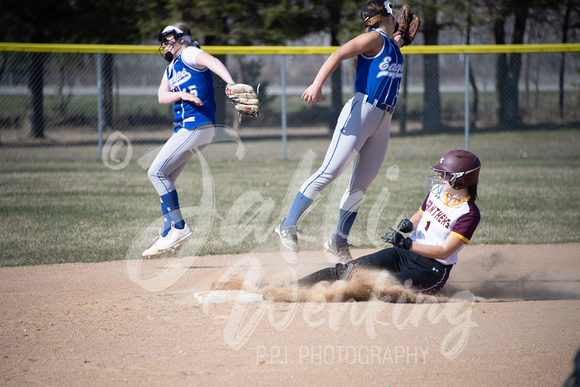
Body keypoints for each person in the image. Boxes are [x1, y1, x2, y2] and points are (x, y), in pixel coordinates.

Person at [275, 0, 406, 261]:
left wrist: (400, 35)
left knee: (361, 184)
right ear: (383, 18)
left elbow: (395, 44)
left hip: (384, 118)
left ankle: (339, 242)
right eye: (395, 15)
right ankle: (287, 224)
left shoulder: (390, 43)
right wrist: (317, 84)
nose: (400, 19)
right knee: (330, 172)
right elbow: (338, 54)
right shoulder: (374, 38)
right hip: (362, 111)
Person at [295, 150, 482, 294]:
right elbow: (422, 213)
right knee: (348, 270)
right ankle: (292, 288)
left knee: (383, 285)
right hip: (403, 254)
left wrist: (407, 243)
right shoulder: (438, 191)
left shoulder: (468, 213)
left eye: (446, 174)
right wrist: (410, 223)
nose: (440, 177)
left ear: (462, 179)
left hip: (431, 270)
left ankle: (324, 295)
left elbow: (445, 251)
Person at [142, 22, 236, 258]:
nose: (164, 44)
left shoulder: (190, 53)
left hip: (196, 125)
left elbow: (213, 62)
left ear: (181, 38)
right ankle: (167, 233)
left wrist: (231, 84)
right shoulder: (171, 68)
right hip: (189, 129)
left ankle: (180, 228)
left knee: (156, 173)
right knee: (166, 178)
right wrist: (181, 94)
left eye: (167, 38)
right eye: (161, 40)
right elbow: (162, 97)